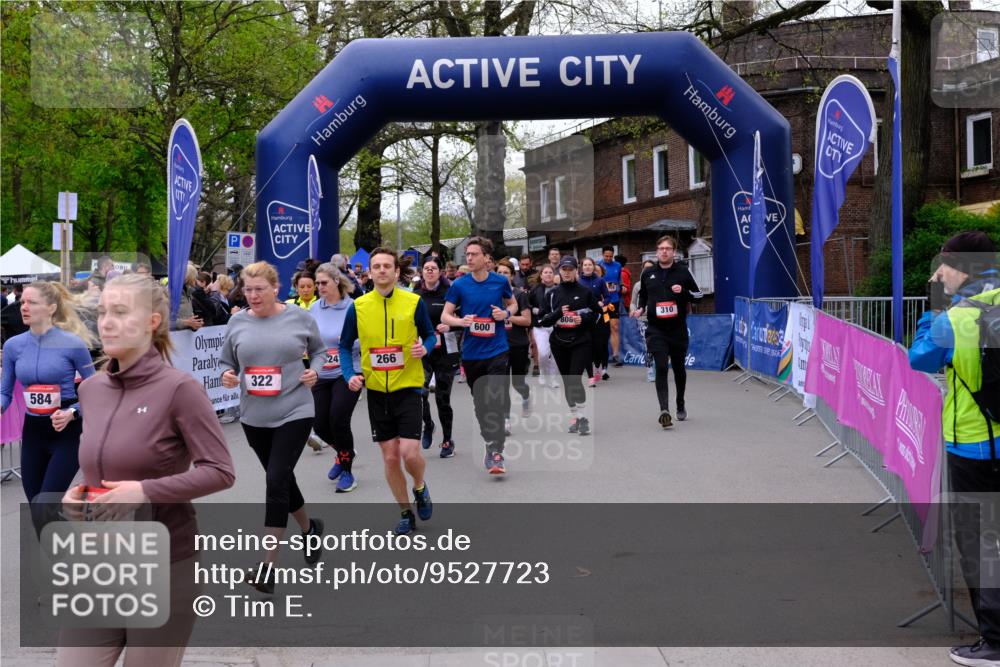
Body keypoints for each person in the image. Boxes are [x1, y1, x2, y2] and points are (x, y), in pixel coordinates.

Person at [57, 274, 234, 666]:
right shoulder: (92, 389)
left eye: (120, 312)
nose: (106, 322)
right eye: (103, 312)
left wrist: (144, 491)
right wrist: (79, 493)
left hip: (165, 565)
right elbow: (102, 463)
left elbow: (220, 470)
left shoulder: (180, 389)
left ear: (154, 321)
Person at [908, 231, 1000, 667]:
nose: (939, 272)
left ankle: (994, 642)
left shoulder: (956, 318)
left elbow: (920, 358)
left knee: (980, 542)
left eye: (944, 264)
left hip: (975, 444)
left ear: (963, 268)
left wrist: (933, 310)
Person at [219, 261, 328, 593]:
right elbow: (227, 360)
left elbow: (320, 352)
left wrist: (315, 372)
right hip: (254, 415)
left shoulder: (298, 318)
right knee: (282, 479)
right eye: (247, 290)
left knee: (276, 478)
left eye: (259, 290)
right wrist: (227, 375)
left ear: (275, 288)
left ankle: (267, 565)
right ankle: (310, 530)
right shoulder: (236, 322)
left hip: (295, 409)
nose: (252, 295)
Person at [338, 248, 437, 534]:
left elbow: (430, 335)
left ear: (396, 272)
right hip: (377, 392)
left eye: (387, 266)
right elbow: (345, 346)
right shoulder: (357, 307)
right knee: (391, 456)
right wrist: (349, 375)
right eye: (376, 266)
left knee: (408, 452)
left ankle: (419, 486)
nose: (382, 270)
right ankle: (406, 512)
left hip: (407, 386)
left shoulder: (413, 302)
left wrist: (424, 348)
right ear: (369, 272)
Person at [1, 282, 96, 509]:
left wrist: (73, 412)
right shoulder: (13, 346)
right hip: (33, 431)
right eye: (23, 301)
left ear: (51, 308)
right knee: (37, 507)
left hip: (67, 432)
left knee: (46, 505)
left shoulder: (72, 343)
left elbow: (96, 392)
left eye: (31, 302)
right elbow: (5, 392)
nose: (24, 307)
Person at [441, 236, 518, 475]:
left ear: (487, 258)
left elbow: (513, 305)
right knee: (481, 404)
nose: (470, 258)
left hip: (497, 350)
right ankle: (489, 441)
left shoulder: (499, 282)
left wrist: (504, 314)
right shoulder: (460, 285)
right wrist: (460, 321)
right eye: (468, 255)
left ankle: (497, 452)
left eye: (474, 254)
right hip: (472, 354)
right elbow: (445, 316)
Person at [633, 235, 703, 429]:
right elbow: (643, 296)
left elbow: (699, 296)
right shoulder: (648, 273)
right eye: (661, 248)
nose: (664, 251)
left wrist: (684, 292)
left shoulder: (683, 271)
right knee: (661, 366)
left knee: (679, 368)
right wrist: (640, 308)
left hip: (677, 329)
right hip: (655, 328)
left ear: (674, 252)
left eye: (668, 248)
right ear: (657, 251)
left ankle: (680, 402)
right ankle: (664, 410)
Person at [308, 263, 363, 492]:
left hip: (348, 371)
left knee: (338, 417)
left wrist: (349, 341)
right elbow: (309, 338)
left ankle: (348, 472)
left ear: (336, 282)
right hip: (322, 371)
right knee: (319, 423)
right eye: (317, 283)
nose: (319, 287)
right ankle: (344, 452)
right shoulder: (314, 308)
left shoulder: (354, 307)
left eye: (323, 283)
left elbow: (367, 338)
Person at [536, 256, 600, 435]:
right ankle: (576, 416)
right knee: (567, 381)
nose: (566, 272)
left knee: (574, 378)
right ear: (560, 271)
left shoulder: (585, 292)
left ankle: (583, 417)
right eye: (563, 269)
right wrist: (558, 313)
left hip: (581, 342)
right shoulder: (552, 294)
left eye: (570, 269)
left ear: (575, 270)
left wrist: (583, 318)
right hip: (559, 343)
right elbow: (542, 320)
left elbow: (597, 313)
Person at [416, 257, 460, 457]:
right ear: (422, 272)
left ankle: (447, 440)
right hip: (423, 351)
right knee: (420, 393)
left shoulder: (450, 293)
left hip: (445, 351)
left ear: (440, 271)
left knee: (443, 398)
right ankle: (428, 424)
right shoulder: (415, 295)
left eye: (433, 268)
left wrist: (450, 325)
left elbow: (463, 319)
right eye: (427, 268)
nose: (430, 271)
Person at [496, 259, 533, 433]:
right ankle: (505, 420)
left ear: (512, 276)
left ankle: (525, 396)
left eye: (506, 273)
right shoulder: (492, 295)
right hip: (498, 345)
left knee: (518, 382)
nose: (502, 276)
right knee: (502, 384)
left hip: (518, 343)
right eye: (499, 273)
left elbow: (527, 320)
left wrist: (507, 316)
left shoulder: (519, 294)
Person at [579, 257, 611, 387]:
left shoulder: (600, 280)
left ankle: (599, 366)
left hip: (599, 316)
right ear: (582, 267)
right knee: (586, 346)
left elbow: (608, 297)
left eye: (589, 265)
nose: (587, 267)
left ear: (593, 267)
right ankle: (590, 376)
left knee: (599, 345)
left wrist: (603, 303)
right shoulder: (578, 281)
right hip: (583, 317)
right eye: (585, 265)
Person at [529, 265, 561, 388]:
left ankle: (553, 379)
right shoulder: (535, 289)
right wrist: (534, 310)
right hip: (540, 325)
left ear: (554, 275)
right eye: (545, 272)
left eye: (550, 272)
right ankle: (543, 371)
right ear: (541, 275)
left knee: (554, 354)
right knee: (543, 353)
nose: (548, 274)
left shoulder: (559, 289)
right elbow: (527, 304)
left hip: (556, 325)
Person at [631, 259, 657, 382]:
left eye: (650, 268)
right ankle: (650, 370)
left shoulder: (659, 283)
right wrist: (633, 310)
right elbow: (632, 302)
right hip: (643, 319)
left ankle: (659, 366)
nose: (647, 270)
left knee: (660, 345)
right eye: (645, 268)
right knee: (648, 345)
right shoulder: (638, 285)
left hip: (658, 319)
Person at [599, 246, 625, 366]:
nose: (608, 258)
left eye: (610, 256)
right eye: (606, 256)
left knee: (614, 327)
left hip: (613, 301)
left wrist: (622, 286)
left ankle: (615, 355)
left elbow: (619, 280)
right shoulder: (597, 265)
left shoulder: (618, 265)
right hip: (602, 301)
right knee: (603, 329)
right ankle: (601, 354)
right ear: (602, 254)